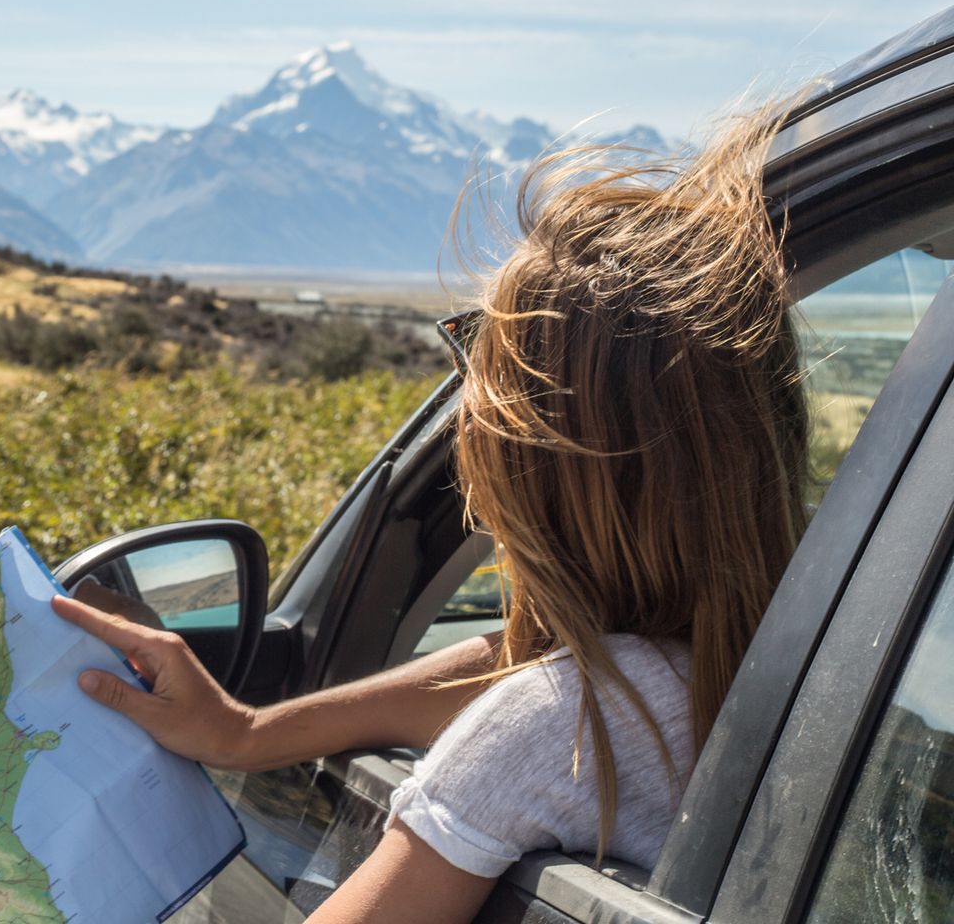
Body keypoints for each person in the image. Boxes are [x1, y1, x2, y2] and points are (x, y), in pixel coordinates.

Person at [54, 106, 810, 923]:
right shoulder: (783, 671)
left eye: (475, 383)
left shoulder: (556, 729)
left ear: (526, 466)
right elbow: (516, 669)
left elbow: (540, 702)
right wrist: (244, 734)